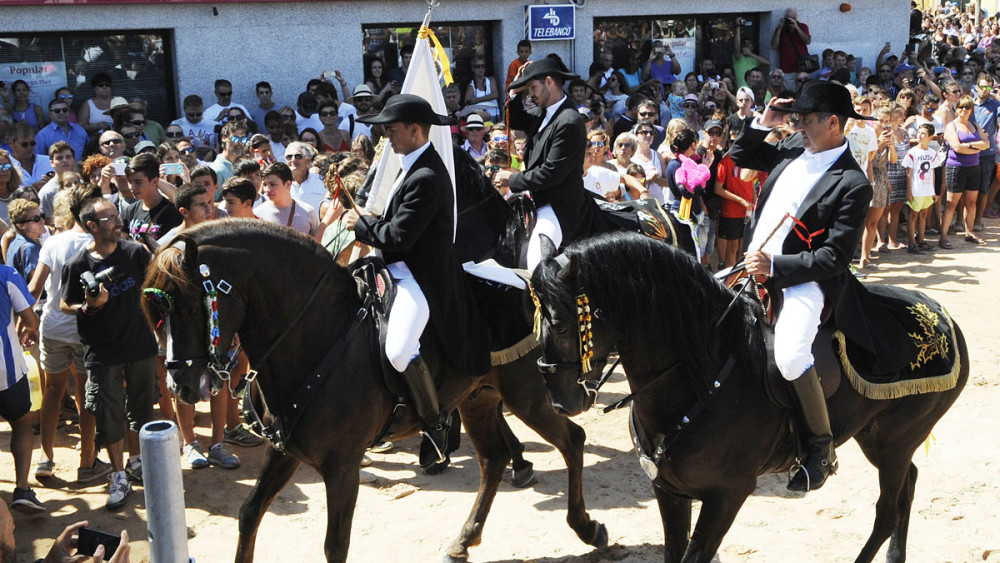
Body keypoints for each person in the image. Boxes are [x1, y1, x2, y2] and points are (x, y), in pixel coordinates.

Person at [731, 81, 873, 492]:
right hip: (747, 265)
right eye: (797, 119)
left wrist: (775, 265)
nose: (799, 126)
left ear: (833, 122)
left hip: (801, 281)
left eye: (807, 120)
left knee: (791, 355)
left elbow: (835, 258)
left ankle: (821, 447)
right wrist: (765, 122)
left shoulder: (852, 183)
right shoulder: (793, 148)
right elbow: (741, 155)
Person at [343, 94, 489, 468]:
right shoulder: (410, 165)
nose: (386, 137)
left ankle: (436, 421)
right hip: (395, 268)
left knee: (398, 349)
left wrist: (360, 224)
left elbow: (399, 237)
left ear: (414, 129)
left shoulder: (425, 175)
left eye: (392, 130)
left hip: (419, 277)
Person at [61, 197, 159, 509]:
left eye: (117, 216)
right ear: (91, 226)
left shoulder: (134, 252)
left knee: (142, 409)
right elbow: (65, 304)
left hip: (140, 346)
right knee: (109, 413)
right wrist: (90, 306)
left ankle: (136, 461)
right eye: (110, 219)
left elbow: (154, 286)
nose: (118, 222)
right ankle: (118, 474)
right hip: (102, 352)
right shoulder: (78, 264)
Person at [28, 185, 108, 485]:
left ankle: (45, 458)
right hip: (88, 329)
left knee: (53, 391)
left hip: (53, 327)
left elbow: (35, 288)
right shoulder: (99, 243)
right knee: (86, 395)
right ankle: (87, 462)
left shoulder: (54, 242)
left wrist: (24, 319)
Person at [493, 59, 602, 269]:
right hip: (536, 198)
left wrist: (512, 178)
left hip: (558, 205)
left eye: (533, 87)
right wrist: (516, 89)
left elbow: (551, 173)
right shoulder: (543, 114)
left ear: (549, 82)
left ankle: (546, 300)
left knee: (537, 263)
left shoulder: (569, 120)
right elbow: (513, 120)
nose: (530, 93)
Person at [0, 260, 43, 513]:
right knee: (21, 424)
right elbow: (30, 320)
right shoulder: (6, 275)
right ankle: (22, 489)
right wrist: (31, 326)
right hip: (7, 370)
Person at [940, 95, 988, 248]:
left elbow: (986, 144)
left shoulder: (974, 125)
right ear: (957, 108)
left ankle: (970, 232)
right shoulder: (951, 126)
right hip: (956, 167)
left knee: (971, 202)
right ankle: (943, 236)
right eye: (961, 107)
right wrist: (976, 146)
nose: (964, 110)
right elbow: (956, 147)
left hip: (973, 167)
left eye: (967, 107)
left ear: (971, 110)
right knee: (951, 204)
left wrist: (969, 146)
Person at [120, 154, 182, 247]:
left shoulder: (172, 213)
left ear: (154, 181)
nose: (132, 187)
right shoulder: (130, 210)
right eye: (129, 181)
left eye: (138, 182)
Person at [903, 124, 941, 252]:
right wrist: (909, 191)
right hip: (916, 189)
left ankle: (921, 240)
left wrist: (933, 190)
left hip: (927, 189)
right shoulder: (912, 152)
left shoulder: (932, 153)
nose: (920, 135)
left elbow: (933, 172)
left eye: (923, 133)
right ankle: (912, 243)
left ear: (930, 137)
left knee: (924, 214)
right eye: (919, 132)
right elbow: (908, 173)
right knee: (913, 215)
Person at [254, 162, 319, 238]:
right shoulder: (257, 214)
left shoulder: (308, 212)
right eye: (265, 185)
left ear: (288, 184)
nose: (267, 189)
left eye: (272, 185)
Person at [771, 8, 812, 78]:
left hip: (802, 67)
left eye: (793, 18)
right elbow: (774, 46)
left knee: (803, 87)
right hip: (787, 69)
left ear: (796, 18)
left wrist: (796, 27)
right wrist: (780, 27)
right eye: (788, 18)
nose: (791, 20)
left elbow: (808, 41)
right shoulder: (781, 29)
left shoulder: (802, 26)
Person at [465, 57, 500, 121]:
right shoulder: (471, 85)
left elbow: (495, 95)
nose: (480, 68)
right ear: (473, 69)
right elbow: (468, 101)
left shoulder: (491, 80)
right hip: (479, 118)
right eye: (477, 66)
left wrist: (477, 100)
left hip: (493, 115)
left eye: (483, 66)